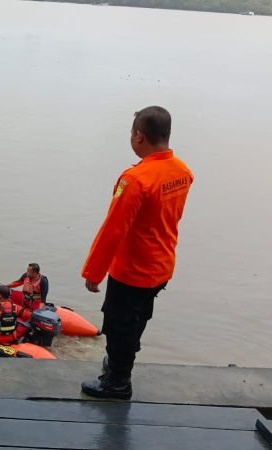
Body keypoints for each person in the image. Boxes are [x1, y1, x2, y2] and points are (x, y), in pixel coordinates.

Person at [80, 106, 193, 400]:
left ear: (139, 137)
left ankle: (117, 383)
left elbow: (113, 229)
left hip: (133, 270)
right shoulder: (182, 172)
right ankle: (120, 363)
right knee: (138, 317)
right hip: (161, 265)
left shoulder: (136, 181)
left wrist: (94, 271)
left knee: (119, 325)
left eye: (131, 134)